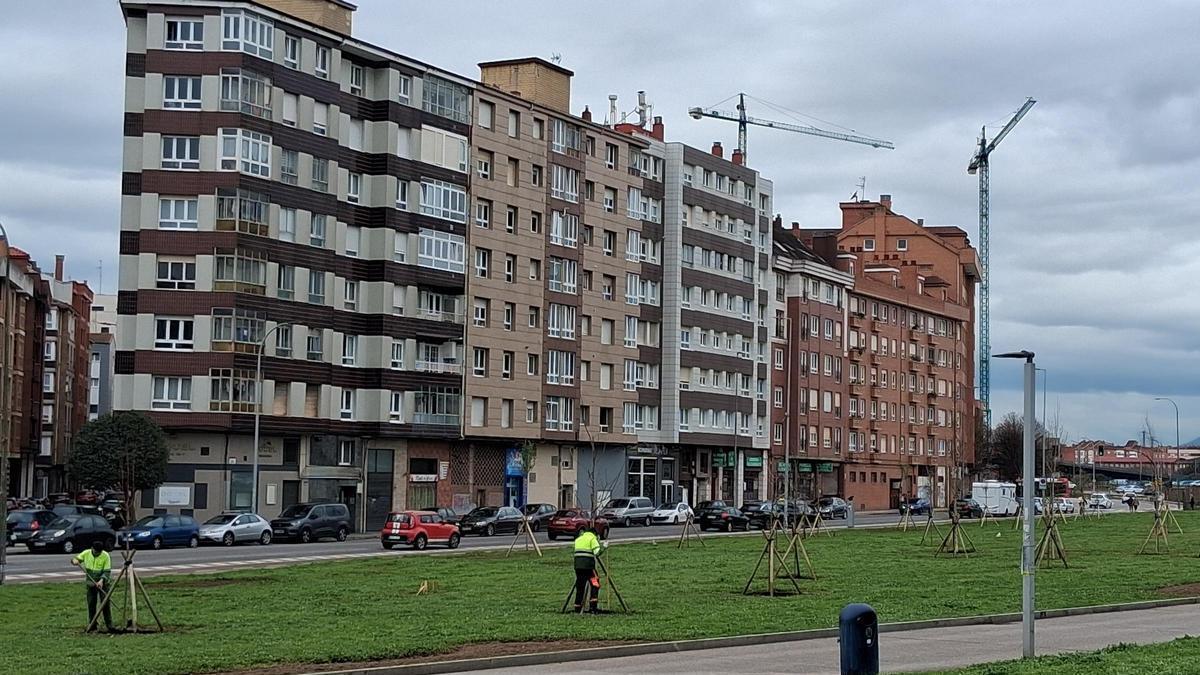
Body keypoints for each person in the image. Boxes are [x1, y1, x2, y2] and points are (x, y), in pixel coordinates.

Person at [71, 540, 114, 632]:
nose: (97, 554)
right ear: (92, 549)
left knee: (105, 604)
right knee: (91, 604)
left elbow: (107, 571)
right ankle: (93, 624)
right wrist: (75, 561)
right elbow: (76, 559)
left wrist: (101, 580)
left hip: (103, 584)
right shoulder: (86, 553)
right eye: (96, 552)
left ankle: (109, 625)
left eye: (99, 552)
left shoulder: (105, 555)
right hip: (91, 583)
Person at [572, 525, 602, 613]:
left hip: (578, 567)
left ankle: (577, 606)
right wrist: (603, 547)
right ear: (595, 534)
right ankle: (593, 606)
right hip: (588, 567)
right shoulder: (592, 539)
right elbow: (597, 552)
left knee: (580, 586)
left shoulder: (578, 539)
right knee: (595, 583)